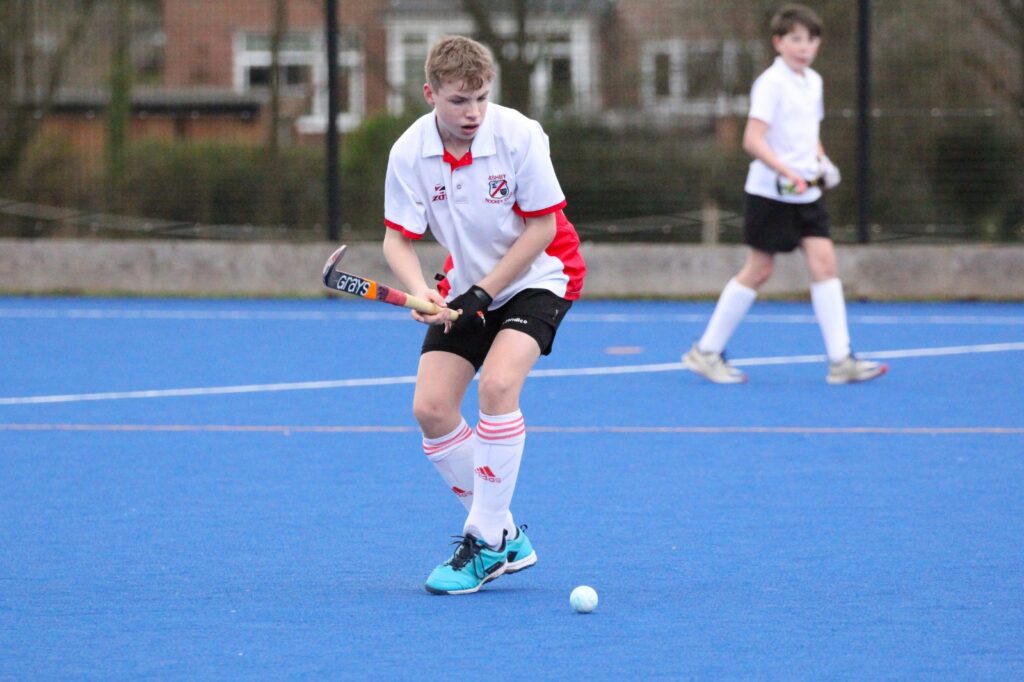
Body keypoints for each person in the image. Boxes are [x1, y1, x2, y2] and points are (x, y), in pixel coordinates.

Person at [381, 35, 586, 594]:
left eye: (480, 99)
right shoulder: (409, 153)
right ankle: (504, 532)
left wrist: (483, 292)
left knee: (497, 386)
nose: (472, 114)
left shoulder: (519, 135)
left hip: (541, 274)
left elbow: (543, 227)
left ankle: (486, 542)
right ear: (429, 94)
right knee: (431, 408)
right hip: (467, 283)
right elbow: (397, 239)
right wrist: (422, 289)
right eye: (457, 102)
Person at [683, 3, 887, 385]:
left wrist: (822, 163)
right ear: (778, 42)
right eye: (795, 39)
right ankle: (706, 351)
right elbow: (753, 140)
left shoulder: (814, 82)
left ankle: (841, 360)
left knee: (825, 264)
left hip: (806, 193)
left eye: (811, 40)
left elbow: (809, 136)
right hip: (770, 193)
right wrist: (788, 172)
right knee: (759, 269)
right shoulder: (771, 83)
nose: (804, 47)